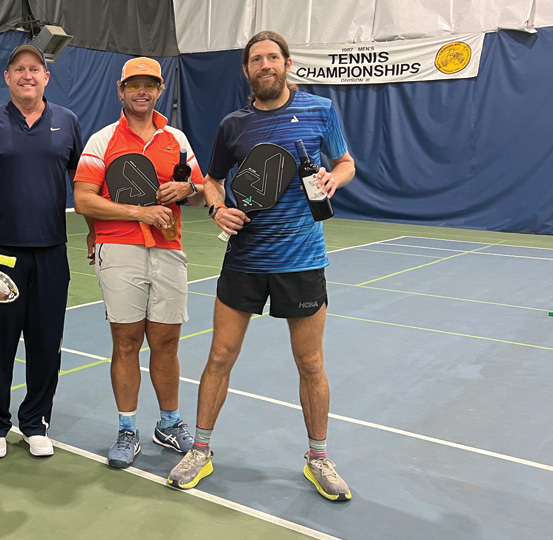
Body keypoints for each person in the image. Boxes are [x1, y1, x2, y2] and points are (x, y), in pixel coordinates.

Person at [166, 30, 356, 501]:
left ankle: (319, 459)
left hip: (302, 260)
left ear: (287, 63)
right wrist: (216, 208)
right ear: (247, 70)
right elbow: (210, 181)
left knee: (310, 362)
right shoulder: (234, 125)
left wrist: (336, 177)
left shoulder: (320, 111)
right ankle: (201, 450)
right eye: (256, 59)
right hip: (245, 260)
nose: (265, 65)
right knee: (219, 357)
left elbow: (347, 161)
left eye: (273, 57)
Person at [73, 57, 205, 469]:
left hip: (168, 249)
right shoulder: (103, 140)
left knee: (166, 343)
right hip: (120, 250)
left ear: (160, 90)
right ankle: (127, 430)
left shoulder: (177, 139)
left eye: (149, 84)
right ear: (121, 90)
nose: (141, 91)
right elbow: (83, 200)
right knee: (127, 343)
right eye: (134, 85)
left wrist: (186, 188)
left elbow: (201, 192)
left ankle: (169, 423)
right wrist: (139, 213)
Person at [0, 44, 83, 459]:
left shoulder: (67, 122)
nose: (27, 75)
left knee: (46, 343)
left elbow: (82, 183)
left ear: (46, 78)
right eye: (19, 69)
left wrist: (96, 230)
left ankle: (36, 422)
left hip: (51, 252)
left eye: (35, 69)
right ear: (8, 78)